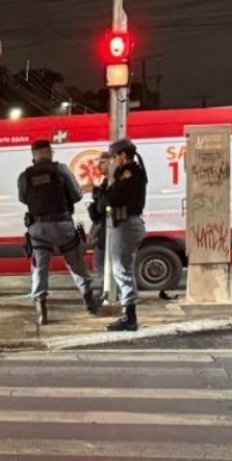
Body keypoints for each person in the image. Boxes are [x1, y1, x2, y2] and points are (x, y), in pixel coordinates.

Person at [18, 139, 102, 325]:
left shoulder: (25, 176)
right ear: (49, 152)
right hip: (62, 224)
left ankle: (42, 313)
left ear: (33, 155)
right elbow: (76, 194)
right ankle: (90, 302)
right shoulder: (61, 170)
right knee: (75, 262)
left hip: (38, 228)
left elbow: (23, 198)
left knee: (40, 268)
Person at [104, 138, 148, 332]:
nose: (113, 160)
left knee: (121, 269)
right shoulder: (135, 170)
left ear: (122, 155)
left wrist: (104, 190)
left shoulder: (128, 172)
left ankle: (129, 317)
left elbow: (113, 196)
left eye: (114, 156)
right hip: (128, 223)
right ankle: (129, 315)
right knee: (124, 269)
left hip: (126, 224)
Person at [83, 152, 111, 283]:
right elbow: (99, 211)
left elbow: (107, 203)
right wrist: (93, 230)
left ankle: (109, 291)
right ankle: (108, 290)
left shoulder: (113, 182)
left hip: (110, 228)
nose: (98, 166)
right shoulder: (105, 182)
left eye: (102, 162)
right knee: (100, 261)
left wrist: (94, 190)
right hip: (103, 227)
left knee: (101, 261)